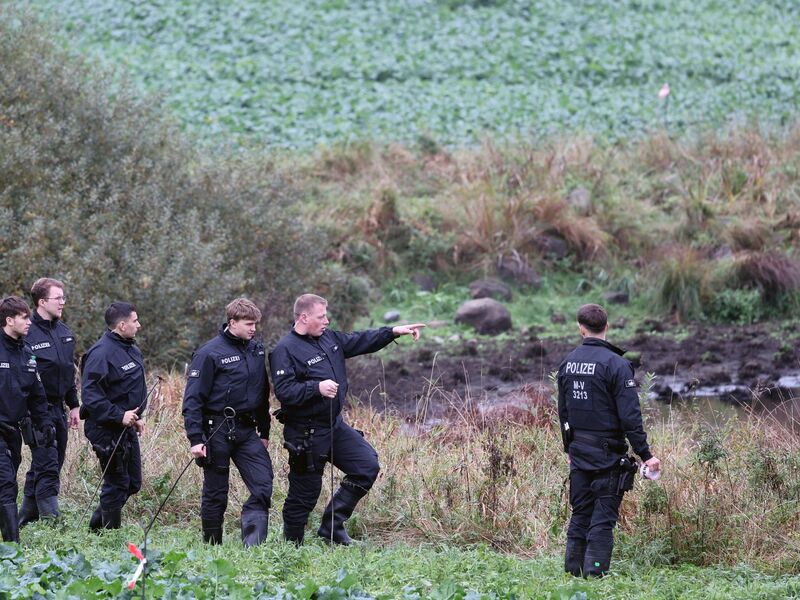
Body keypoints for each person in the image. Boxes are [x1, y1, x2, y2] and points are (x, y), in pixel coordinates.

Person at [270, 293, 424, 545]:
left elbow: (360, 339)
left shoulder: (328, 338)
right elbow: (284, 391)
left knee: (366, 466)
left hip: (334, 426)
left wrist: (393, 331)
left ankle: (332, 529)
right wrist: (315, 388)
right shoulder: (284, 350)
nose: (327, 321)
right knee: (305, 493)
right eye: (321, 317)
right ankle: (291, 547)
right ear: (303, 317)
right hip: (305, 433)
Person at [557, 303, 661, 577]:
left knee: (580, 513)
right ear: (607, 326)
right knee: (602, 519)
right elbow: (630, 416)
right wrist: (646, 455)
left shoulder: (568, 363)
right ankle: (596, 572)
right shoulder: (616, 364)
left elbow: (563, 411)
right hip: (608, 456)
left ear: (581, 328)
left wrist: (569, 446)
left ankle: (573, 572)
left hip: (579, 452)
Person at [182, 298, 274, 547]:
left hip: (246, 430)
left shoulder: (256, 351)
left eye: (255, 323)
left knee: (263, 483)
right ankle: (212, 546)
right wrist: (196, 439)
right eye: (248, 324)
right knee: (216, 492)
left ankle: (252, 544)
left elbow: (262, 393)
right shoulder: (208, 353)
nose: (253, 328)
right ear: (232, 322)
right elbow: (192, 400)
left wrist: (264, 431)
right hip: (216, 429)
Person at [18, 278, 80, 527]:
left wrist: (74, 404)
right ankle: (51, 522)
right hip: (35, 411)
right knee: (47, 463)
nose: (63, 302)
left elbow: (68, 372)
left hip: (59, 408)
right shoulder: (27, 333)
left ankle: (24, 517)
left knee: (53, 461)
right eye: (58, 298)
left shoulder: (65, 333)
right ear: (42, 302)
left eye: (64, 297)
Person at [81, 301, 146, 530]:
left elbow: (128, 388)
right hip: (105, 428)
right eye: (135, 321)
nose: (138, 325)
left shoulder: (131, 348)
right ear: (121, 325)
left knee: (132, 483)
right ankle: (108, 536)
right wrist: (119, 416)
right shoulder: (101, 353)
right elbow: (91, 397)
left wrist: (135, 418)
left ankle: (96, 528)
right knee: (116, 483)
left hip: (126, 426)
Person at [0, 296, 52, 542]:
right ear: (9, 320)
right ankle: (13, 547)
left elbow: (36, 395)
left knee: (9, 482)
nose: (29, 322)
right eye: (24, 317)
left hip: (14, 430)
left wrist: (45, 423)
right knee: (6, 484)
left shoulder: (28, 354)